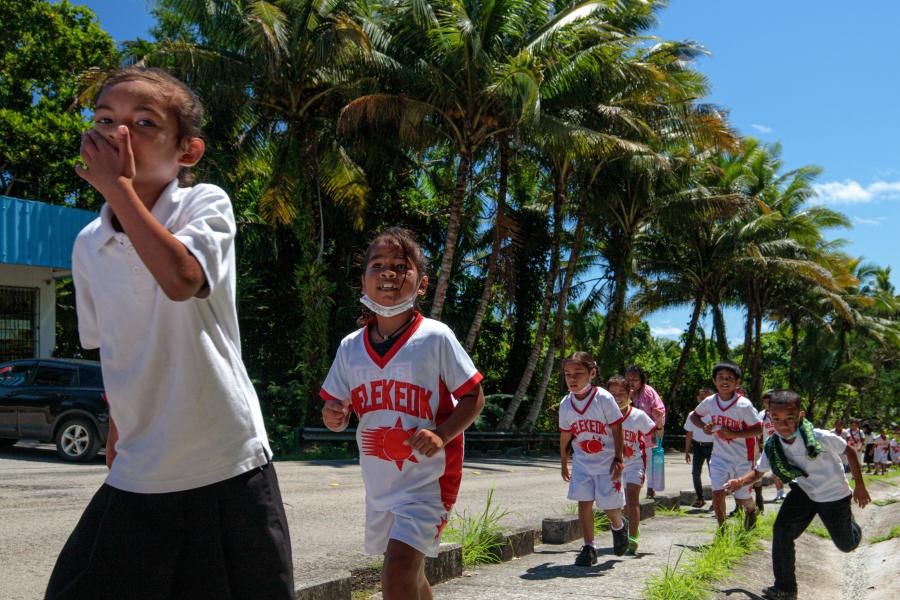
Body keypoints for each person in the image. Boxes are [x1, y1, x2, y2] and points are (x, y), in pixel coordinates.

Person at [47, 67, 295, 599]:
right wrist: (117, 430)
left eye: (143, 122)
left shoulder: (204, 204)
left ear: (188, 151)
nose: (119, 135)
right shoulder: (89, 243)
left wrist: (118, 188)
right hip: (140, 465)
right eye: (105, 120)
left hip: (226, 458)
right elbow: (116, 347)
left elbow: (182, 279)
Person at [321, 227, 484, 600]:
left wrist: (441, 434)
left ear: (422, 283)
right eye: (377, 264)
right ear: (363, 279)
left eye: (400, 265)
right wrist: (335, 415)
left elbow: (474, 396)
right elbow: (336, 405)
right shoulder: (350, 347)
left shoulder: (436, 337)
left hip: (427, 482)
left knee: (395, 574)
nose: (388, 272)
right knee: (409, 575)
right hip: (380, 484)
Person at [724, 390, 869, 600]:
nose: (783, 425)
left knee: (847, 545)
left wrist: (860, 486)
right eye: (776, 419)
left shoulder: (820, 437)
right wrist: (740, 481)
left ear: (800, 416)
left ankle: (850, 524)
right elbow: (759, 471)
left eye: (789, 419)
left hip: (833, 494)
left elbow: (850, 452)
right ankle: (785, 588)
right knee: (781, 531)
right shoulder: (773, 444)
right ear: (769, 416)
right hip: (804, 491)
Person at [558, 352, 628, 565]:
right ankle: (589, 546)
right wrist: (563, 460)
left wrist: (618, 458)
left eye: (578, 373)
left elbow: (617, 428)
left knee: (609, 506)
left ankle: (618, 526)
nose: (572, 378)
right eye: (568, 374)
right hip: (582, 462)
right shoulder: (566, 404)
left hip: (607, 462)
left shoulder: (603, 398)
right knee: (584, 503)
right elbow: (566, 434)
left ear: (592, 373)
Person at [691, 362, 762, 529]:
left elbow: (759, 429)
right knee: (717, 492)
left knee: (741, 498)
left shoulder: (743, 405)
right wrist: (704, 428)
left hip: (744, 456)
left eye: (729, 378)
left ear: (737, 383)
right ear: (714, 381)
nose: (724, 381)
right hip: (719, 455)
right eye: (720, 378)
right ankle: (722, 529)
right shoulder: (710, 402)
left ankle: (752, 510)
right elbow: (695, 416)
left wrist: (735, 434)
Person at [607, 375, 657, 554]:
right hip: (612, 465)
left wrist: (653, 451)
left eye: (621, 393)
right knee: (617, 503)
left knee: (632, 498)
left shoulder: (638, 416)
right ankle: (623, 527)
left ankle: (633, 538)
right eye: (612, 393)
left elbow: (652, 435)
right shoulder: (603, 415)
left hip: (635, 463)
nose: (617, 397)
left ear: (630, 394)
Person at [625, 365, 665, 498]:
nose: (631, 382)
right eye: (629, 379)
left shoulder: (648, 392)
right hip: (629, 436)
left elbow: (660, 412)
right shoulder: (623, 392)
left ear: (641, 380)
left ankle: (650, 490)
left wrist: (657, 420)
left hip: (648, 435)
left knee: (649, 464)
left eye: (635, 379)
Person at [684, 387, 715, 508]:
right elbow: (689, 434)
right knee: (695, 473)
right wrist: (686, 452)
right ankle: (700, 498)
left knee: (714, 474)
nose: (703, 400)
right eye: (701, 397)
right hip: (698, 446)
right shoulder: (692, 415)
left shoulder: (715, 415)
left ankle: (715, 500)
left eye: (706, 398)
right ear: (697, 398)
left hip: (713, 447)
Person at [758, 392, 785, 502]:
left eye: (769, 401)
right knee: (775, 469)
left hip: (782, 443)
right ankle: (780, 492)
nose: (767, 404)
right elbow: (758, 430)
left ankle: (783, 491)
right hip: (768, 445)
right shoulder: (761, 415)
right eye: (765, 402)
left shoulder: (780, 412)